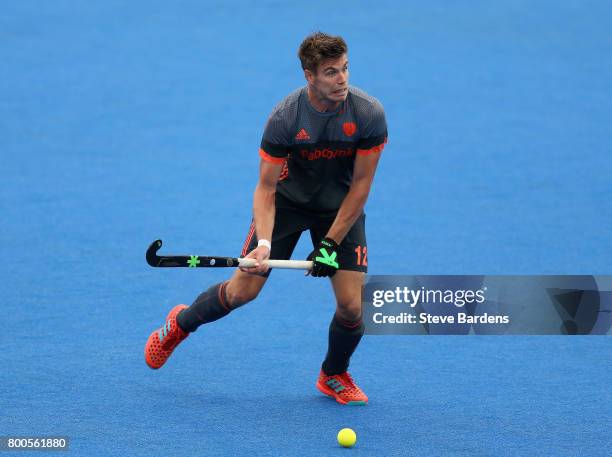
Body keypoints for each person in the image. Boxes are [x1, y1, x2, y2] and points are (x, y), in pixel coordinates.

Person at [145, 32, 388, 405]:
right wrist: (262, 244)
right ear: (309, 75)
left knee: (352, 306)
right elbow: (265, 189)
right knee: (243, 291)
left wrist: (329, 244)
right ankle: (181, 323)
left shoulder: (368, 113)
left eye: (345, 69)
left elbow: (361, 186)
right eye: (330, 72)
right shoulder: (285, 118)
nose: (342, 80)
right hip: (286, 205)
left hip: (339, 209)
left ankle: (334, 374)